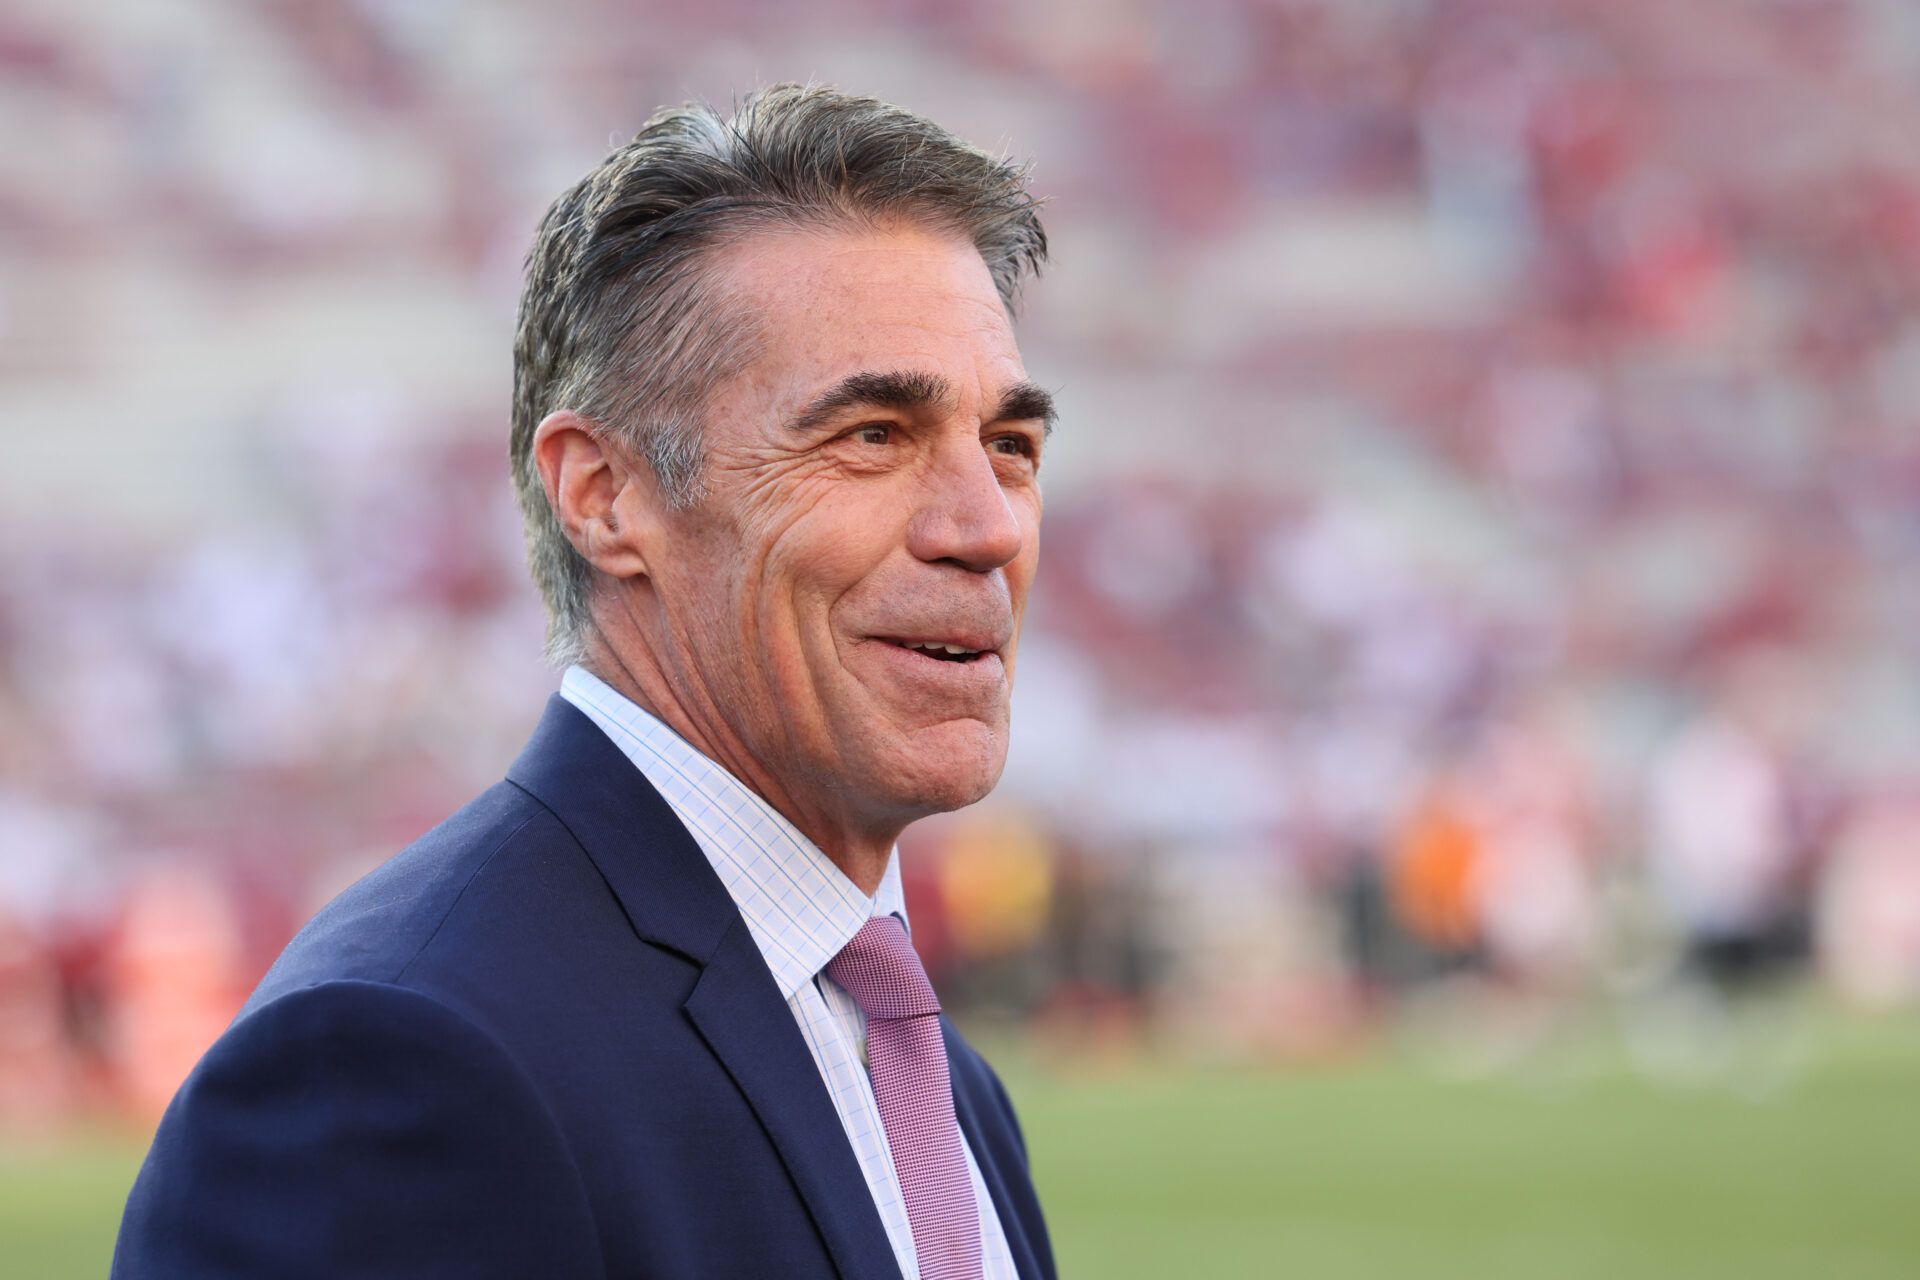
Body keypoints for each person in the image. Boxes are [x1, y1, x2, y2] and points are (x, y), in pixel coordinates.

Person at [112, 84, 1058, 1280]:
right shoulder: (403, 1055)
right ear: (605, 496)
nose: (986, 525)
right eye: (873, 433)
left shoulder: (927, 1065)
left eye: (1012, 446)